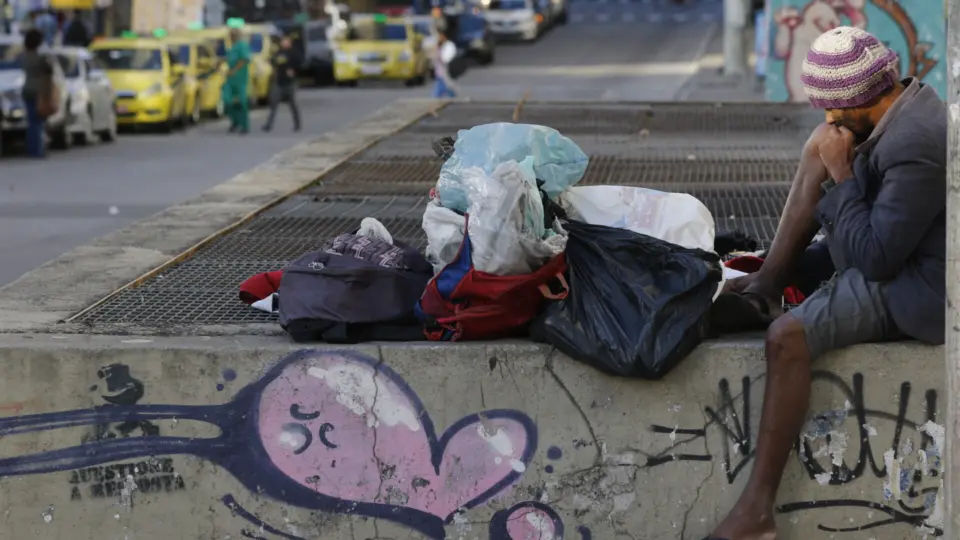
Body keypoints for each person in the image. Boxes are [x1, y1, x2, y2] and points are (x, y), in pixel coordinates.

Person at [706, 26, 946, 540]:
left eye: (833, 110)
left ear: (861, 101)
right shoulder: (900, 107)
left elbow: (877, 259)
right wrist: (830, 162)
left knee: (786, 337)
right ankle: (768, 282)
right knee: (822, 150)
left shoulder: (915, 143)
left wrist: (842, 176)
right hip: (887, 248)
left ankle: (756, 515)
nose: (828, 119)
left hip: (919, 287)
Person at [21, 29, 54, 159]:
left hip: (27, 89)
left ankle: (32, 148)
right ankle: (39, 149)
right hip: (39, 91)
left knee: (31, 121)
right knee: (39, 122)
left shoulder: (24, 57)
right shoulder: (41, 58)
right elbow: (49, 71)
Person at [262, 36, 301, 133]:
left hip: (289, 82)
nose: (284, 43)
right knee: (274, 104)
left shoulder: (293, 53)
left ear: (290, 43)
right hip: (279, 82)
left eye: (286, 41)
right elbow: (273, 61)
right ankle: (269, 125)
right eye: (283, 41)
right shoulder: (278, 52)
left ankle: (297, 124)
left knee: (292, 104)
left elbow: (300, 63)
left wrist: (294, 71)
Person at [222, 26, 251, 135]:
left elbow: (245, 59)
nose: (231, 36)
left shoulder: (242, 46)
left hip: (240, 78)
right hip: (230, 79)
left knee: (241, 103)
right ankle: (235, 121)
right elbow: (229, 58)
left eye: (233, 34)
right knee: (227, 100)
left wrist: (235, 70)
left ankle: (244, 125)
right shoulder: (232, 47)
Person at [430, 30, 459, 99]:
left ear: (444, 36)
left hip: (445, 72)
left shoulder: (449, 45)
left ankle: (434, 103)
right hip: (440, 72)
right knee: (446, 89)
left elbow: (447, 58)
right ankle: (454, 98)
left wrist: (440, 58)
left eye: (440, 36)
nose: (439, 38)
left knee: (439, 92)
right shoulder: (440, 45)